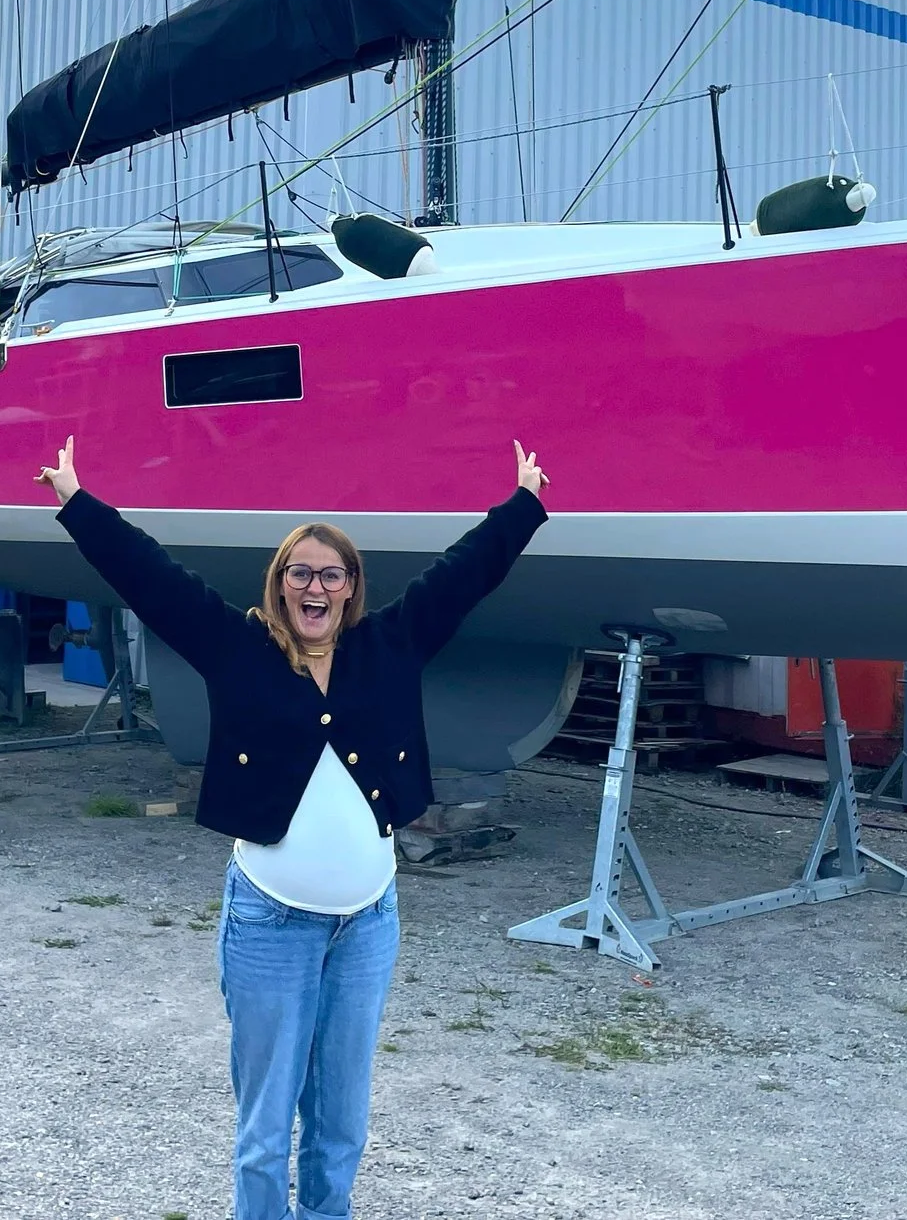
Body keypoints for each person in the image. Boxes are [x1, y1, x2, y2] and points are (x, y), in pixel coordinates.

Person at [37, 436, 549, 1220]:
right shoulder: (237, 648)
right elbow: (153, 579)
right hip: (270, 921)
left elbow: (462, 575)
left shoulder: (391, 645)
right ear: (280, 585)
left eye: (330, 572)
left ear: (350, 587)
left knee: (341, 1125)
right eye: (299, 571)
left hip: (369, 923)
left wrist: (524, 503)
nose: (315, 584)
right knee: (266, 1130)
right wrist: (78, 501)